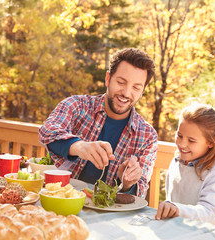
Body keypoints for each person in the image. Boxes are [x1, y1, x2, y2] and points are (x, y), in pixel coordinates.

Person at [39, 48, 158, 198]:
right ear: (108, 79)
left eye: (136, 87)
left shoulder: (147, 136)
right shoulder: (77, 105)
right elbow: (47, 131)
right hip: (58, 199)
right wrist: (79, 146)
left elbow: (139, 191)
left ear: (142, 91)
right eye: (121, 82)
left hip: (107, 215)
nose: (126, 93)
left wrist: (127, 183)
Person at [155, 103, 215, 228]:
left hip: (207, 234)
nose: (182, 144)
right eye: (179, 136)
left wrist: (177, 209)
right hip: (180, 231)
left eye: (191, 140)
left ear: (211, 142)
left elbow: (209, 213)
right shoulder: (177, 161)